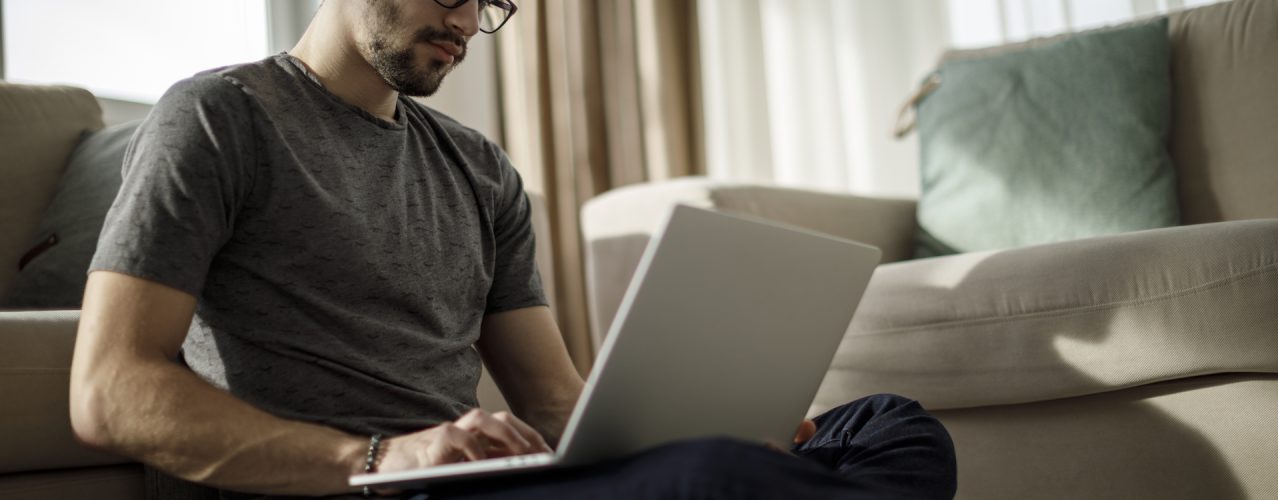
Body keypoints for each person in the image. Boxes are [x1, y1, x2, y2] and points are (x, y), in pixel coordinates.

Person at [68, 1, 957, 498]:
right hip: (362, 487)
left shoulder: (479, 167)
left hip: (479, 484)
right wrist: (378, 457)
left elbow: (556, 399)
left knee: (892, 428)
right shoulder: (219, 118)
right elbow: (107, 393)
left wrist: (696, 424)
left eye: (489, 4)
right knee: (719, 481)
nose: (467, 22)